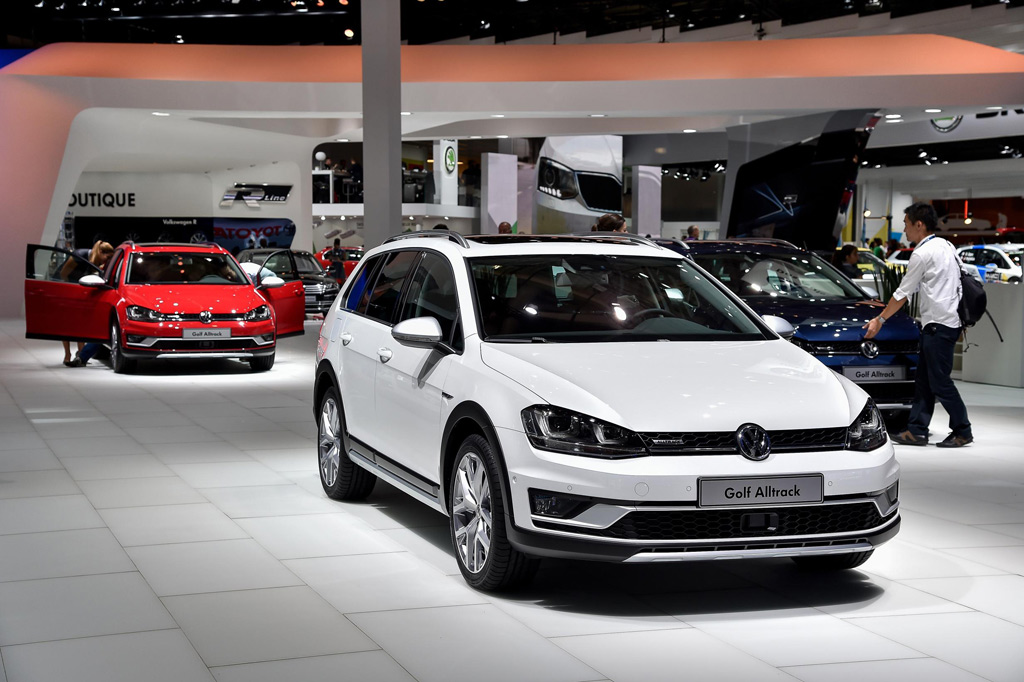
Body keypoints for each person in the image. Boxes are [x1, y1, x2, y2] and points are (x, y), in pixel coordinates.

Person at [863, 202, 972, 448]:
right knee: (924, 380)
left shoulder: (922, 253)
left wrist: (880, 319)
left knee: (939, 381)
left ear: (919, 224)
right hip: (947, 323)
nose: (904, 230)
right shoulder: (947, 246)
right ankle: (917, 429)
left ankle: (963, 430)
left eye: (906, 224)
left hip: (938, 325)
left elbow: (902, 293)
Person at [63, 241, 115, 367]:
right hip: (69, 290)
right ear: (101, 252)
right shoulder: (80, 255)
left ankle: (81, 354)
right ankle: (67, 354)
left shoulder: (96, 262)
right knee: (67, 325)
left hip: (81, 294)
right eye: (107, 257)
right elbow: (63, 274)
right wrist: (70, 290)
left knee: (80, 323)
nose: (107, 260)